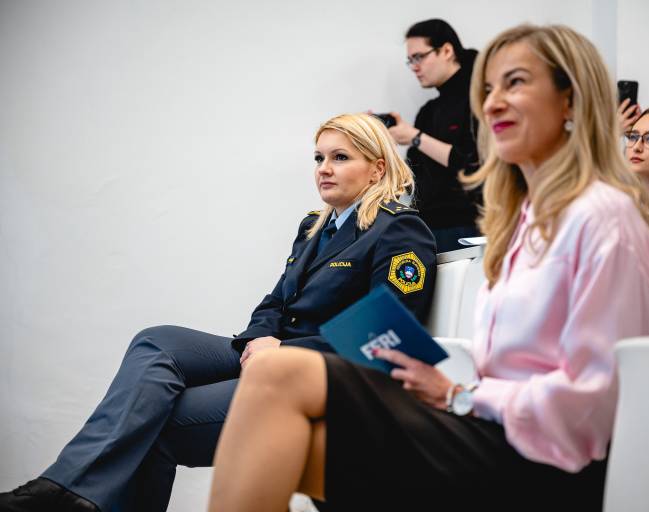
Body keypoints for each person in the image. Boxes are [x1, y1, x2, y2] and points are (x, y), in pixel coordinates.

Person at [207, 23, 649, 512]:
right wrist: (455, 391)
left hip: (544, 459)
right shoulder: (527, 220)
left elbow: (591, 406)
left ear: (570, 100)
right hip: (490, 425)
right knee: (290, 443)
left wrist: (461, 396)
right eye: (488, 89)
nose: (492, 103)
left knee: (279, 373)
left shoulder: (602, 218)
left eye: (514, 83)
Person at [0, 113, 437, 512]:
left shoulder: (397, 227)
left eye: (340, 157)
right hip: (272, 354)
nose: (323, 168)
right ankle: (65, 489)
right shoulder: (314, 226)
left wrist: (284, 353)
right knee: (157, 339)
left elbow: (386, 334)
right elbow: (275, 303)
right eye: (319, 157)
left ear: (377, 168)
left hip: (323, 375)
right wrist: (261, 340)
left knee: (153, 418)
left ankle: (68, 496)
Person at [386, 19, 481, 252]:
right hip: (427, 228)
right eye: (410, 60)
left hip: (469, 227)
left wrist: (415, 137)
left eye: (419, 57)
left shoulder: (482, 99)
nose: (414, 67)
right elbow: (413, 180)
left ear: (447, 51)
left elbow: (472, 164)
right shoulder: (428, 112)